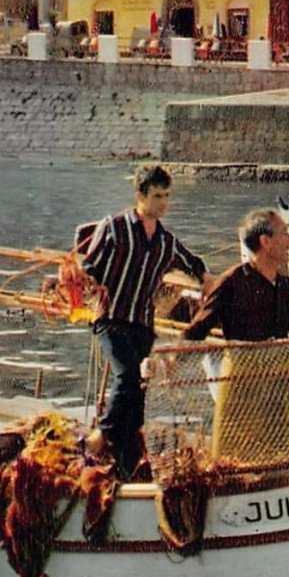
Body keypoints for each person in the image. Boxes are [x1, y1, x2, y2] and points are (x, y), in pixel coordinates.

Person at [81, 163, 212, 479]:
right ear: (139, 195)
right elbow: (87, 267)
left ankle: (127, 468)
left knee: (137, 398)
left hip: (142, 325)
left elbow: (192, 262)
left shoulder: (166, 241)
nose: (163, 203)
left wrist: (207, 280)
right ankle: (100, 438)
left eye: (167, 196)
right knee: (127, 376)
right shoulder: (113, 227)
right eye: (156, 196)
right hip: (110, 319)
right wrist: (86, 284)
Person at [182, 208, 289, 460]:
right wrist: (166, 361)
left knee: (282, 455)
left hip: (279, 381)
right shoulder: (231, 282)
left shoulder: (285, 286)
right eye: (284, 234)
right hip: (242, 382)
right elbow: (196, 331)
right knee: (235, 457)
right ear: (265, 242)